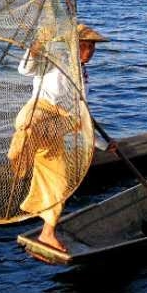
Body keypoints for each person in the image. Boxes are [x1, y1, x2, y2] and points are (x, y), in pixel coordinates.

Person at [10, 23, 107, 252]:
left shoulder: (83, 75)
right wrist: (37, 45)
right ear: (75, 46)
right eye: (86, 45)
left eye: (93, 46)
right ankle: (19, 157)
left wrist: (103, 144)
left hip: (60, 125)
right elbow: (25, 68)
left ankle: (47, 233)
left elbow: (82, 115)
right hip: (40, 112)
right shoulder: (54, 62)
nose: (91, 51)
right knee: (26, 126)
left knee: (60, 182)